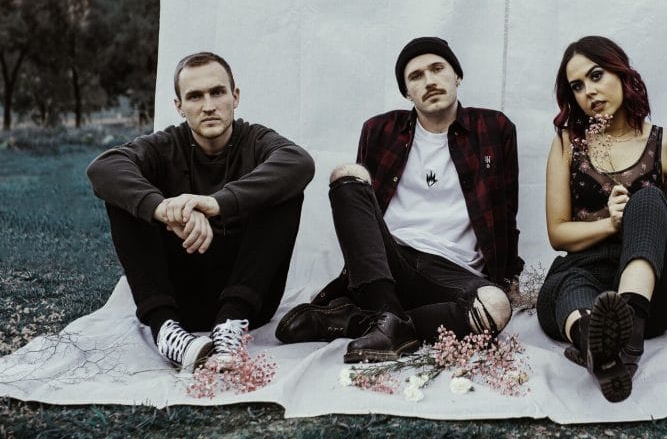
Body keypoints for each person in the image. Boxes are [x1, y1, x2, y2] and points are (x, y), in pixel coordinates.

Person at [276, 37, 522, 363]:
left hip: (454, 272)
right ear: (407, 92)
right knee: (347, 175)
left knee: (495, 307)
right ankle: (387, 311)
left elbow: (506, 211)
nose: (429, 81)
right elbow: (362, 217)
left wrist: (509, 280)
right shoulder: (380, 130)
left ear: (457, 76)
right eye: (416, 76)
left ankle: (365, 321)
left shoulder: (493, 128)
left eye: (438, 69)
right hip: (392, 260)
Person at [87, 52, 315, 371]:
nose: (208, 106)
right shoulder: (164, 146)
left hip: (249, 304)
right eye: (195, 96)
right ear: (179, 106)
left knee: (286, 191)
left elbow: (299, 163)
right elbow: (103, 168)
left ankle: (229, 328)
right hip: (179, 301)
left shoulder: (256, 141)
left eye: (217, 92)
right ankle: (166, 333)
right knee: (125, 199)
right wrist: (163, 208)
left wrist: (215, 203)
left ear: (235, 97)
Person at [535, 36, 667, 402]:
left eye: (596, 75)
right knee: (570, 286)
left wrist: (630, 214)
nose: (589, 91)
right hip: (585, 272)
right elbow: (557, 233)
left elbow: (653, 223)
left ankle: (628, 329)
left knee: (649, 197)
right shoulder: (569, 143)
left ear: (621, 73)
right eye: (577, 86)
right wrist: (610, 223)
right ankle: (594, 344)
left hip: (650, 294)